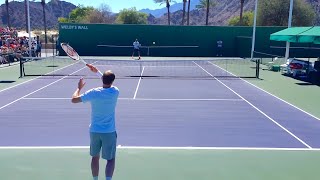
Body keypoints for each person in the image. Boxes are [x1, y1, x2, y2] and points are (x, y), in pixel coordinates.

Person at [71, 64, 119, 180]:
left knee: (95, 157)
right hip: (109, 131)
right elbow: (107, 81)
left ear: (103, 79)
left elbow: (73, 100)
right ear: (112, 81)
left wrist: (79, 88)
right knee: (111, 159)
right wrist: (97, 72)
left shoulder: (93, 92)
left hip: (95, 131)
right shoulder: (115, 92)